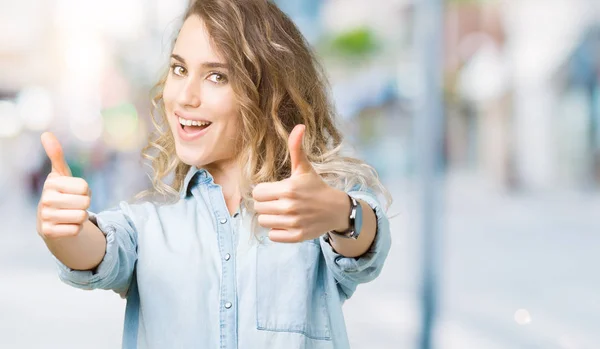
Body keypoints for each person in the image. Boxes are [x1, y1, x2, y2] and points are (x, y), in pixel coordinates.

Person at [36, 1, 392, 348]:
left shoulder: (311, 210)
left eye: (216, 76)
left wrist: (338, 213)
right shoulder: (148, 224)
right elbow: (93, 251)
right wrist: (63, 230)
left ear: (267, 93)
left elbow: (363, 242)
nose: (185, 97)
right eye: (179, 69)